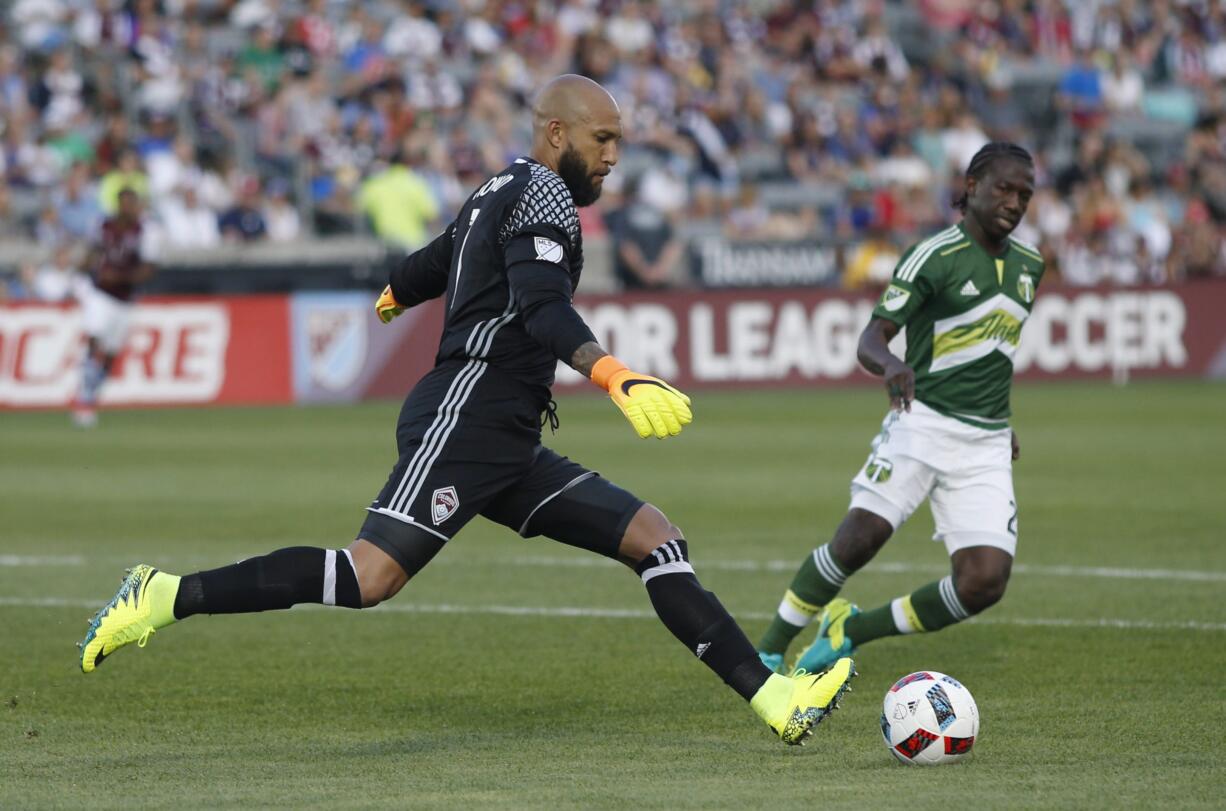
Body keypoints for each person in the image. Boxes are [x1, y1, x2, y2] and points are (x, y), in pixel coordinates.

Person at [78, 75, 854, 746]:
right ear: (557, 133)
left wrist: (395, 295)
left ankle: (775, 699)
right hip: (468, 411)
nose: (615, 156)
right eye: (604, 138)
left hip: (508, 432)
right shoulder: (546, 194)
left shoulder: (499, 187)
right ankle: (164, 593)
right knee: (368, 576)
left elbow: (437, 258)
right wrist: (615, 375)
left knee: (655, 538)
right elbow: (543, 307)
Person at [756, 142, 1041, 676]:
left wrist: (1003, 420)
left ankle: (852, 631)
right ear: (972, 186)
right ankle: (770, 648)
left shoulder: (1030, 265)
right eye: (1004, 187)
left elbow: (994, 352)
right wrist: (889, 365)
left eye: (1025, 193)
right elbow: (872, 337)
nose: (1015, 201)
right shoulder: (934, 255)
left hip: (985, 442)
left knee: (984, 583)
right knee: (859, 538)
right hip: (923, 422)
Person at [73, 188, 156, 427]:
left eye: (132, 203)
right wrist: (85, 268)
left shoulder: (145, 231)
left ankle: (91, 393)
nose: (128, 208)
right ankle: (84, 397)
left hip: (125, 299)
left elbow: (149, 268)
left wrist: (119, 278)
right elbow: (92, 252)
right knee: (94, 337)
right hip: (100, 293)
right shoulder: (103, 226)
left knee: (111, 351)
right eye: (124, 203)